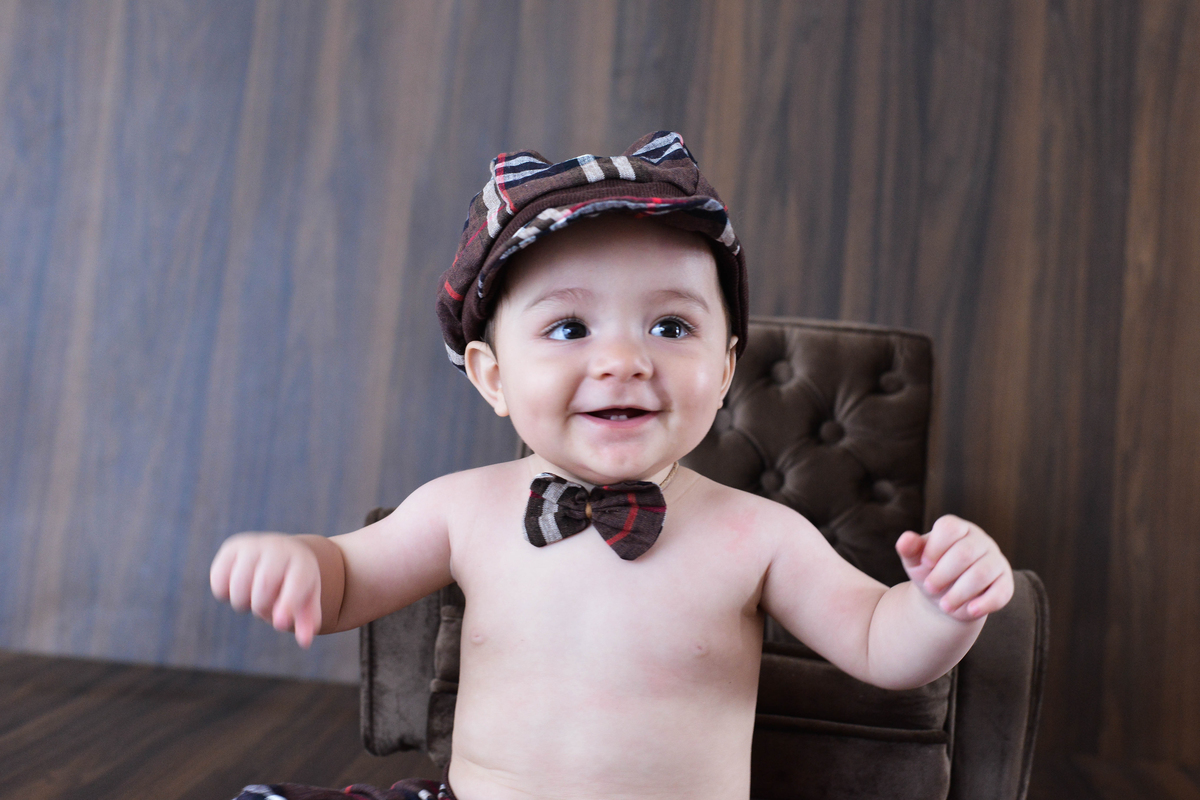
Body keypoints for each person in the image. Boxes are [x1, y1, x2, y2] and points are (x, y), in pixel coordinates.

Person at [211, 132, 1014, 800]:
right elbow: (351, 578)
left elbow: (880, 643)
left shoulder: (759, 535)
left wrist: (943, 609)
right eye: (569, 329)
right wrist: (301, 563)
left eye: (669, 326)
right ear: (493, 375)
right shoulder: (462, 509)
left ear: (727, 368)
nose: (625, 360)